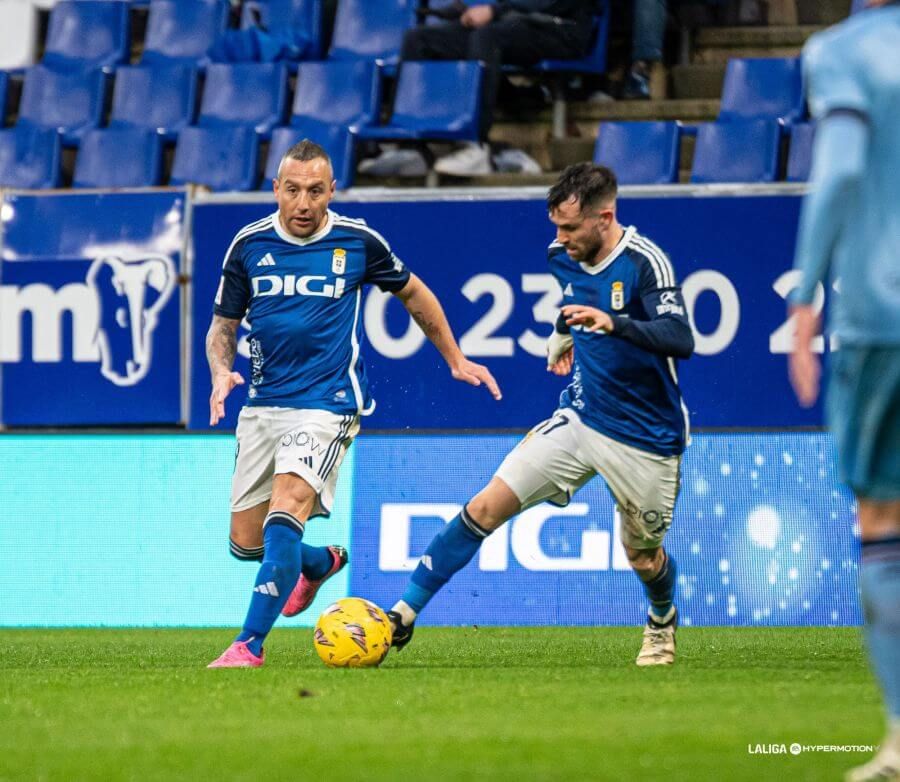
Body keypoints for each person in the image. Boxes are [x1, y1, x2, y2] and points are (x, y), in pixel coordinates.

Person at [206, 139, 501, 668]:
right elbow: (222, 327)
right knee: (246, 544)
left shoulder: (357, 241)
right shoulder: (248, 244)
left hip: (328, 403)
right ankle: (318, 563)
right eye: (292, 190)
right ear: (275, 189)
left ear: (332, 191)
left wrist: (455, 358)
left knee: (285, 511)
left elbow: (414, 292)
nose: (303, 203)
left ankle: (248, 644)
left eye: (315, 191)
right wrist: (219, 371)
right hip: (263, 405)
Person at [384, 163, 694, 666]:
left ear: (604, 218)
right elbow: (575, 298)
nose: (560, 238)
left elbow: (680, 337)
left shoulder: (644, 261)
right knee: (485, 506)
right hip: (582, 418)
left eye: (570, 227)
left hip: (646, 437)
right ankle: (402, 614)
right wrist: (562, 333)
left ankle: (661, 617)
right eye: (556, 226)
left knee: (642, 556)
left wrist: (613, 324)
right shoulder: (561, 256)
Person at [788, 3, 900, 779]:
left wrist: (804, 295)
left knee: (884, 523)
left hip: (882, 315)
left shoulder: (842, 51)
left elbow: (843, 169)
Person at [361, 0, 595, 178]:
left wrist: (494, 10)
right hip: (515, 22)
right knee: (420, 39)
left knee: (487, 37)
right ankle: (412, 147)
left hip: (561, 28)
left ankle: (476, 146)